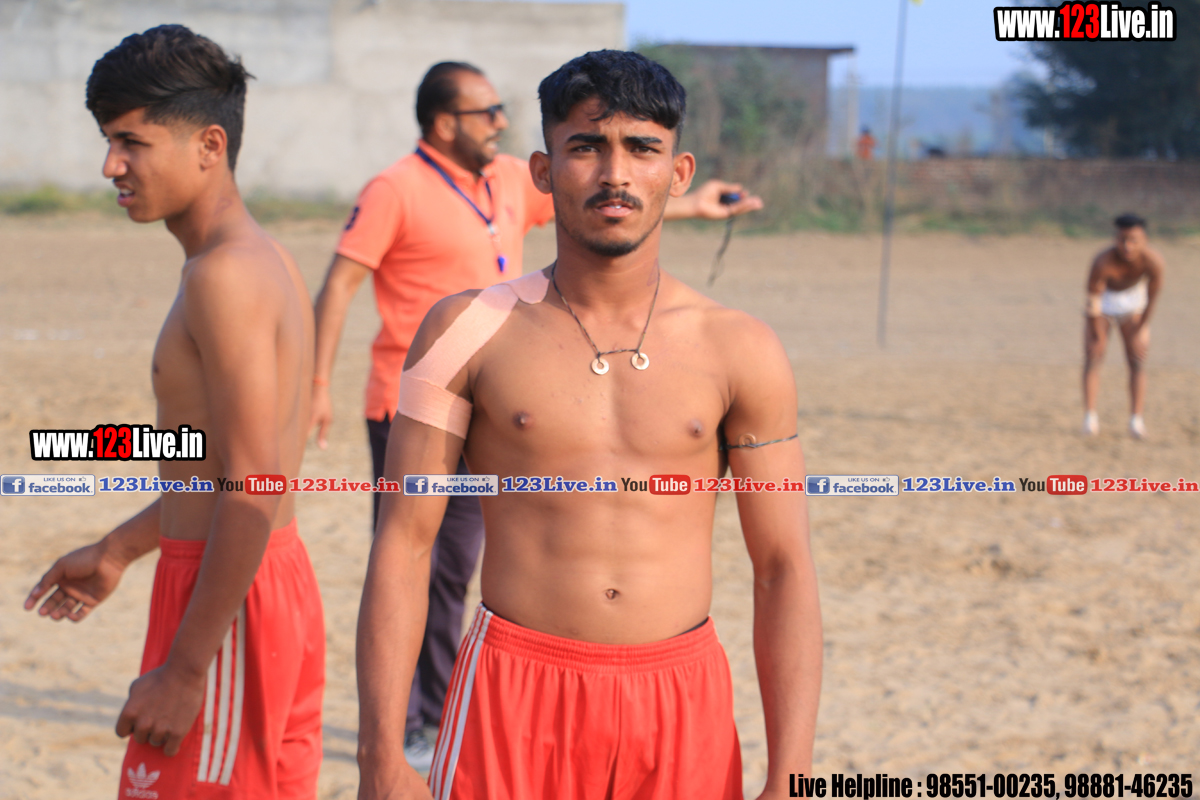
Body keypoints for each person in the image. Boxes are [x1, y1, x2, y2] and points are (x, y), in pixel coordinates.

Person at [356, 50, 822, 800]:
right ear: (542, 171)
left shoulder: (741, 348)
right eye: (586, 146)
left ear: (679, 172)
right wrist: (380, 755)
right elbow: (405, 545)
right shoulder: (465, 331)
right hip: (511, 694)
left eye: (642, 148)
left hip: (680, 700)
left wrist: (791, 775)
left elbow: (783, 568)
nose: (615, 174)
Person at [23, 26, 324, 799]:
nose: (110, 166)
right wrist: (122, 547)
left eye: (132, 142)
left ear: (209, 145)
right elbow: (232, 470)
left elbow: (254, 486)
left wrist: (187, 670)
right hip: (247, 576)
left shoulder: (226, 278)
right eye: (107, 140)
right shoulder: (259, 258)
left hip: (226, 601)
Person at [1083, 213, 1165, 438]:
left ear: (1144, 240)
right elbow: (1092, 299)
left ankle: (1136, 421)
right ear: (1115, 239)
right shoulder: (1103, 261)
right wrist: (1096, 331)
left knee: (1137, 359)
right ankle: (1090, 418)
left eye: (1133, 240)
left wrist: (1141, 328)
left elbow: (1152, 298)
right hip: (1104, 301)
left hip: (1134, 302)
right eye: (1122, 240)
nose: (1127, 246)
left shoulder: (1153, 261)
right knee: (1093, 355)